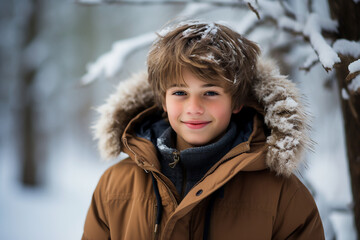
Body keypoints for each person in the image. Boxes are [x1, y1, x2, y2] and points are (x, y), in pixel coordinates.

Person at [82, 20, 325, 240]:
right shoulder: (115, 185)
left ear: (237, 101)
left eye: (210, 93)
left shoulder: (282, 194)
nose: (194, 108)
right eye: (180, 93)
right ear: (163, 101)